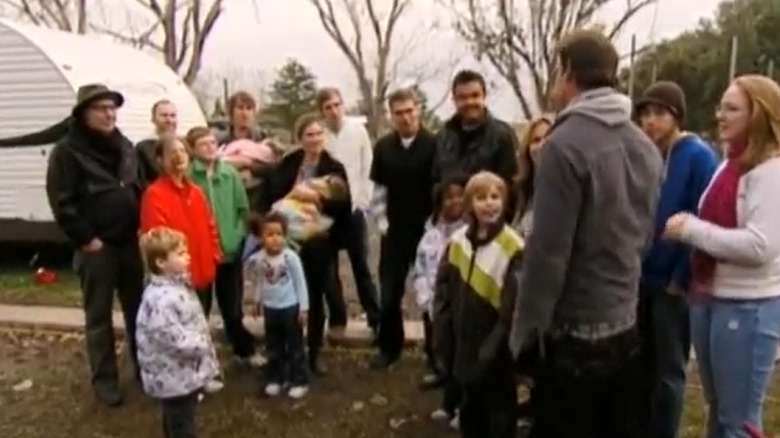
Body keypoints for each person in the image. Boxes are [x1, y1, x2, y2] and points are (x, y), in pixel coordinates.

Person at [508, 29, 663, 438]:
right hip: (625, 322)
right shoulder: (644, 144)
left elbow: (548, 252)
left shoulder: (564, 144)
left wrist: (525, 335)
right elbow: (645, 234)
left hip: (574, 333)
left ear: (569, 72)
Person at [662, 74, 780, 438]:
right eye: (720, 107)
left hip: (748, 307)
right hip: (711, 296)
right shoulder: (731, 164)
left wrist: (692, 230)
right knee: (720, 412)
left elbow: (761, 246)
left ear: (757, 115)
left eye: (731, 109)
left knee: (738, 421)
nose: (720, 116)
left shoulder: (771, 172)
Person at [45, 83, 144, 407]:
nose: (109, 113)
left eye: (112, 107)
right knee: (99, 318)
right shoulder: (68, 151)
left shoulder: (124, 146)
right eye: (101, 108)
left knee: (138, 313)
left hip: (130, 243)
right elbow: (62, 201)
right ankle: (105, 382)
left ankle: (144, 371)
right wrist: (87, 239)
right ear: (84, 113)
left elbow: (138, 187)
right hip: (97, 248)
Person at [634, 81, 719, 438]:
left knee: (669, 369)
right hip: (640, 277)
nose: (650, 122)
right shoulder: (645, 153)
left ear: (676, 117)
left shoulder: (698, 156)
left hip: (672, 281)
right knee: (640, 364)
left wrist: (681, 275)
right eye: (645, 114)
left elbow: (705, 217)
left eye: (659, 114)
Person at [433, 171, 523, 438]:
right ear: (470, 203)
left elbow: (511, 311)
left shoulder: (513, 248)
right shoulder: (458, 242)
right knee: (470, 415)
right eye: (481, 197)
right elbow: (443, 292)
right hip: (463, 349)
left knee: (498, 417)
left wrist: (490, 352)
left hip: (495, 355)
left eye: (495, 197)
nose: (489, 203)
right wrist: (443, 335)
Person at [262, 113, 351, 375]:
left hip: (319, 242)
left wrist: (317, 200)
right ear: (299, 138)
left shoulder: (334, 167)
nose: (314, 139)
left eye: (318, 134)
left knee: (313, 295)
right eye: (309, 134)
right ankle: (288, 352)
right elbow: (272, 195)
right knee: (287, 296)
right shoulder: (288, 164)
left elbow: (344, 205)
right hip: (288, 241)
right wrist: (293, 195)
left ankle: (314, 353)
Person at [368, 88, 437, 368]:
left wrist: (435, 229)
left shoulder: (434, 144)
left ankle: (435, 356)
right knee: (389, 295)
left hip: (427, 231)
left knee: (429, 297)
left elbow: (440, 190)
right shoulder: (384, 147)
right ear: (391, 116)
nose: (406, 117)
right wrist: (383, 225)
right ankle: (389, 349)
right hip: (395, 232)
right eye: (399, 113)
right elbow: (379, 190)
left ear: (418, 110)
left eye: (410, 111)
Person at [186, 127, 265, 367]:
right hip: (201, 254)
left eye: (212, 142)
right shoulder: (189, 177)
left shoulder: (229, 174)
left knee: (232, 307)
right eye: (203, 144)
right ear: (193, 149)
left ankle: (244, 351)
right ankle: (201, 360)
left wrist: (237, 236)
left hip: (229, 252)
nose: (210, 147)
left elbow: (242, 208)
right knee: (200, 308)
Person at [136, 227, 220, 438]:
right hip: (174, 376)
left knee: (178, 418)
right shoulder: (162, 299)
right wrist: (202, 343)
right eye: (181, 254)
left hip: (178, 375)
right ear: (161, 262)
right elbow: (173, 338)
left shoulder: (177, 287)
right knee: (181, 424)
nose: (188, 257)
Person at [318, 87, 380, 339]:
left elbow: (368, 166)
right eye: (328, 107)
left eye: (337, 105)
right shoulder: (320, 136)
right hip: (327, 212)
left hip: (354, 210)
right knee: (329, 269)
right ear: (321, 111)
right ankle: (337, 318)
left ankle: (375, 318)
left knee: (361, 266)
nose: (334, 111)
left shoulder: (358, 131)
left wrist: (363, 200)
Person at [139, 136, 221, 311]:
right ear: (161, 160)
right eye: (172, 152)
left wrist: (214, 255)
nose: (179, 156)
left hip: (202, 273)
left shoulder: (197, 192)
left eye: (182, 151)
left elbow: (210, 225)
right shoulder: (154, 194)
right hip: (176, 279)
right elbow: (158, 240)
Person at [411, 174, 466, 429]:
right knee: (445, 355)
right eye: (449, 197)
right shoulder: (430, 235)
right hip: (435, 306)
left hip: (463, 308)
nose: (455, 201)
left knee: (463, 360)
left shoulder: (470, 234)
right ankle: (448, 403)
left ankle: (464, 410)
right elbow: (420, 268)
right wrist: (425, 298)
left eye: (460, 195)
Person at [432, 70, 519, 219]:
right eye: (463, 97)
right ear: (454, 100)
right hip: (450, 227)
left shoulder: (502, 135)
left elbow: (511, 186)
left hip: (489, 224)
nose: (469, 102)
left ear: (484, 96)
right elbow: (434, 180)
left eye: (475, 95)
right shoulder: (442, 137)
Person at [244, 212, 310, 399]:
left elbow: (300, 283)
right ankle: (275, 378)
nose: (275, 239)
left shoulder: (291, 258)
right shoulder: (259, 259)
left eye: (279, 234)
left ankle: (299, 379)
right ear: (261, 238)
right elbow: (259, 280)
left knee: (295, 346)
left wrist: (304, 308)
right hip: (271, 308)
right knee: (273, 346)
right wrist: (256, 300)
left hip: (290, 308)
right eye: (270, 235)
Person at [217, 91, 273, 212]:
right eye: (240, 108)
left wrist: (248, 164)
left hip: (258, 200)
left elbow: (274, 169)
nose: (245, 113)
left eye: (249, 108)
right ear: (231, 113)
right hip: (227, 200)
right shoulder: (219, 141)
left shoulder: (264, 139)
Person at [271, 174, 349, 242]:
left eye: (326, 180)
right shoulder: (301, 195)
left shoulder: (315, 217)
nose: (319, 179)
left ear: (327, 195)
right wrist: (291, 194)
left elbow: (289, 231)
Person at [513, 114, 554, 238]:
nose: (542, 145)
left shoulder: (568, 189)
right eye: (536, 140)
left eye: (548, 138)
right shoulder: (522, 190)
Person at [137, 99, 178, 187]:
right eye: (164, 115)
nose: (169, 120)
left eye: (173, 115)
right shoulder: (143, 148)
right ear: (153, 119)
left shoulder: (184, 144)